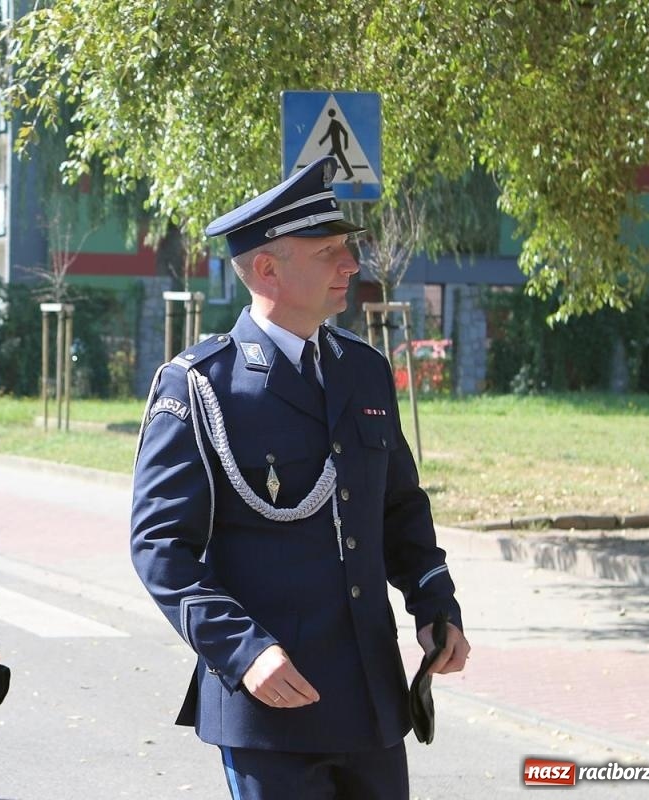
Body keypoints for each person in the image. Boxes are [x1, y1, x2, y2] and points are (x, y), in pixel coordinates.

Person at [129, 155, 470, 800]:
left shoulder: (364, 371)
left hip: (371, 700)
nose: (351, 266)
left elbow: (399, 508)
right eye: (329, 252)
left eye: (347, 250)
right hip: (271, 706)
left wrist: (435, 605)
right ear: (267, 269)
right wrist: (241, 651)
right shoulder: (201, 386)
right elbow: (160, 547)